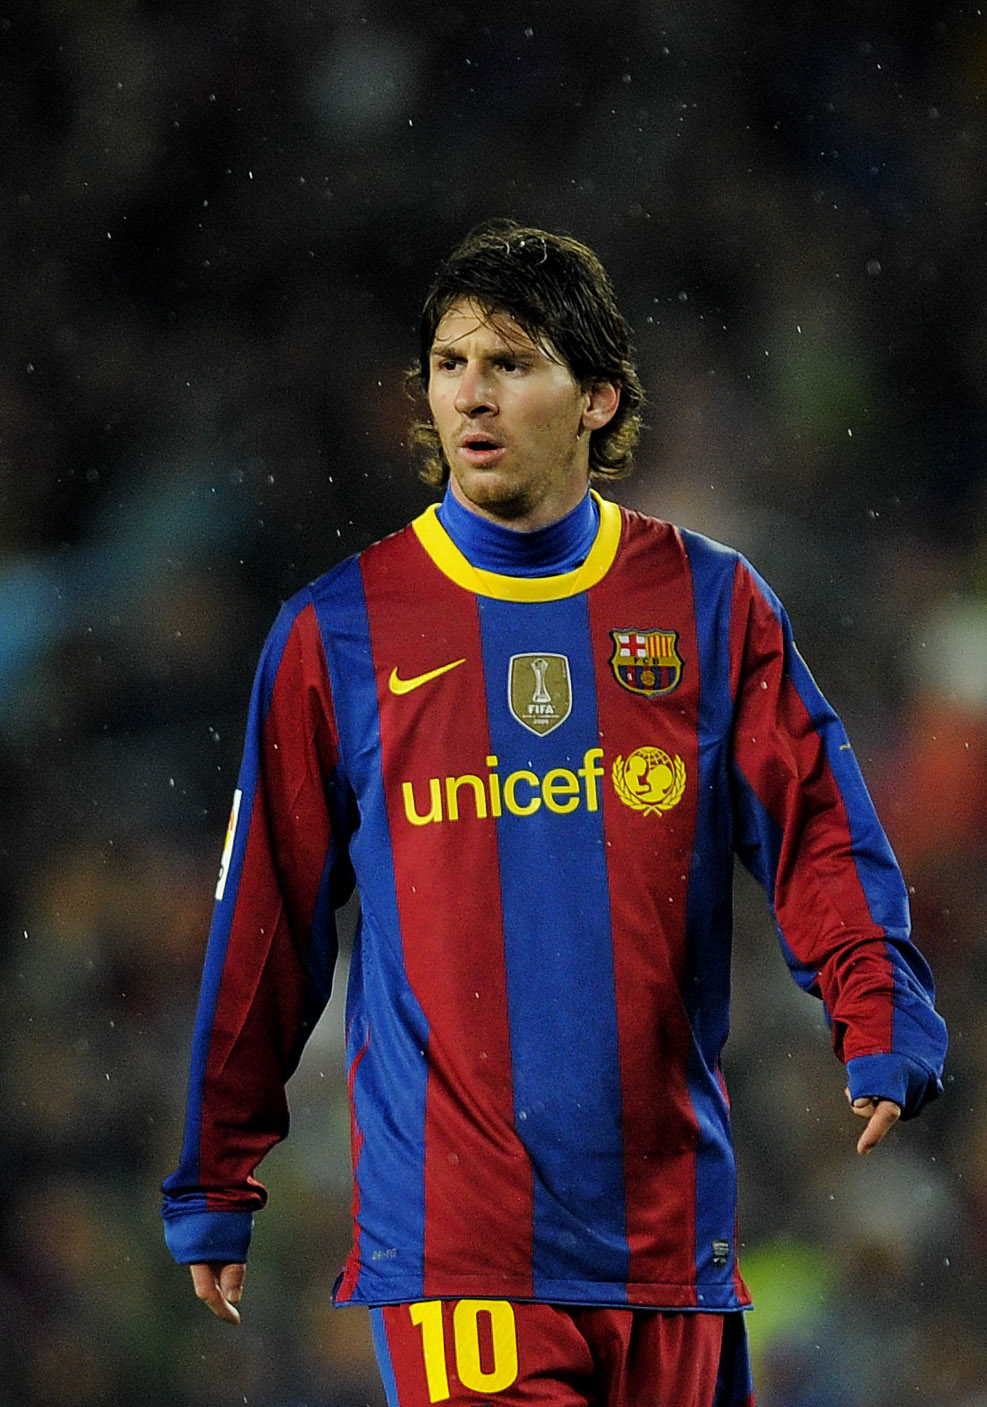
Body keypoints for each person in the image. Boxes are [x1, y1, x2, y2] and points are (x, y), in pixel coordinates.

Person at [162, 219, 948, 1407]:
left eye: (512, 363)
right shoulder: (338, 631)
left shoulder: (710, 602)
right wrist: (217, 1168)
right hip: (462, 1255)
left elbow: (816, 829)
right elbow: (266, 917)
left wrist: (876, 1001)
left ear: (598, 398)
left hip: (672, 1241)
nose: (469, 397)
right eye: (448, 365)